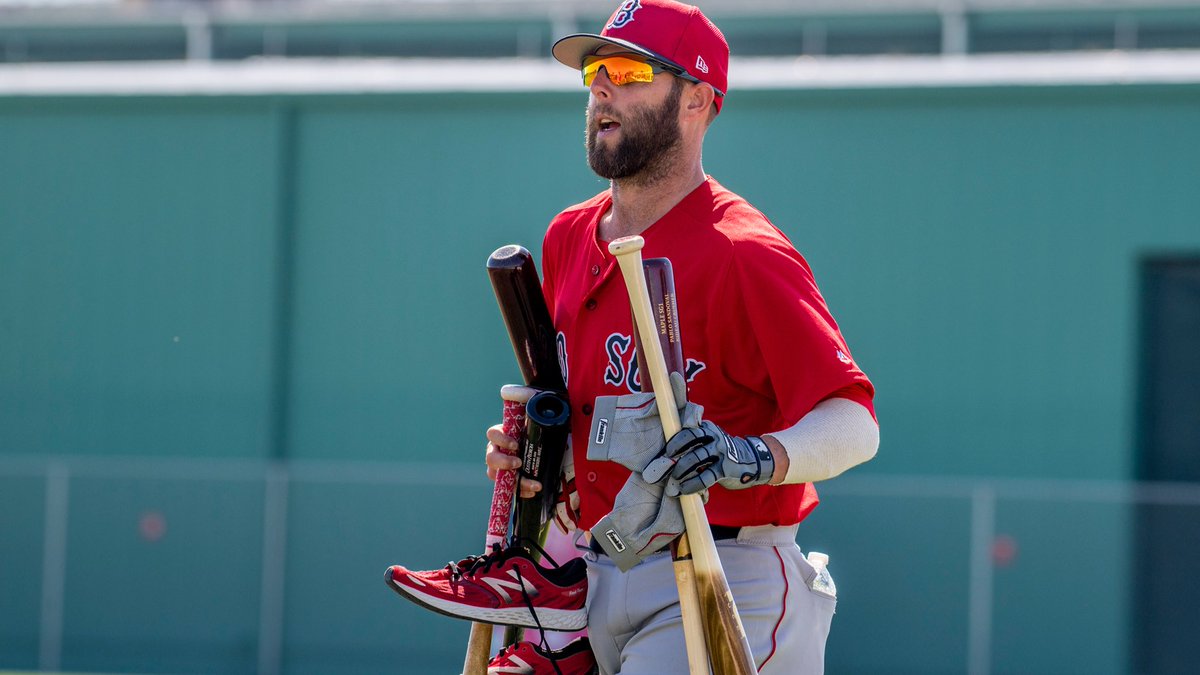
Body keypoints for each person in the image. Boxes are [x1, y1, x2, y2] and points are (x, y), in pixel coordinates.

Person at [386, 2, 879, 673]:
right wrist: (537, 455)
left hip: (725, 572)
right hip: (592, 580)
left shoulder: (743, 251)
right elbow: (588, 419)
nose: (601, 88)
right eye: (594, 73)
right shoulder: (568, 235)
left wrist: (748, 455)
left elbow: (854, 423)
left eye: (628, 71)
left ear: (697, 100)